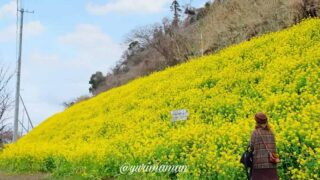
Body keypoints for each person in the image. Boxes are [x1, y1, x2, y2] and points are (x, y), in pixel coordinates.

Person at [250, 112, 278, 180]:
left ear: (257, 121)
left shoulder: (255, 132)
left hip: (259, 165)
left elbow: (251, 146)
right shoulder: (271, 132)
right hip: (272, 164)